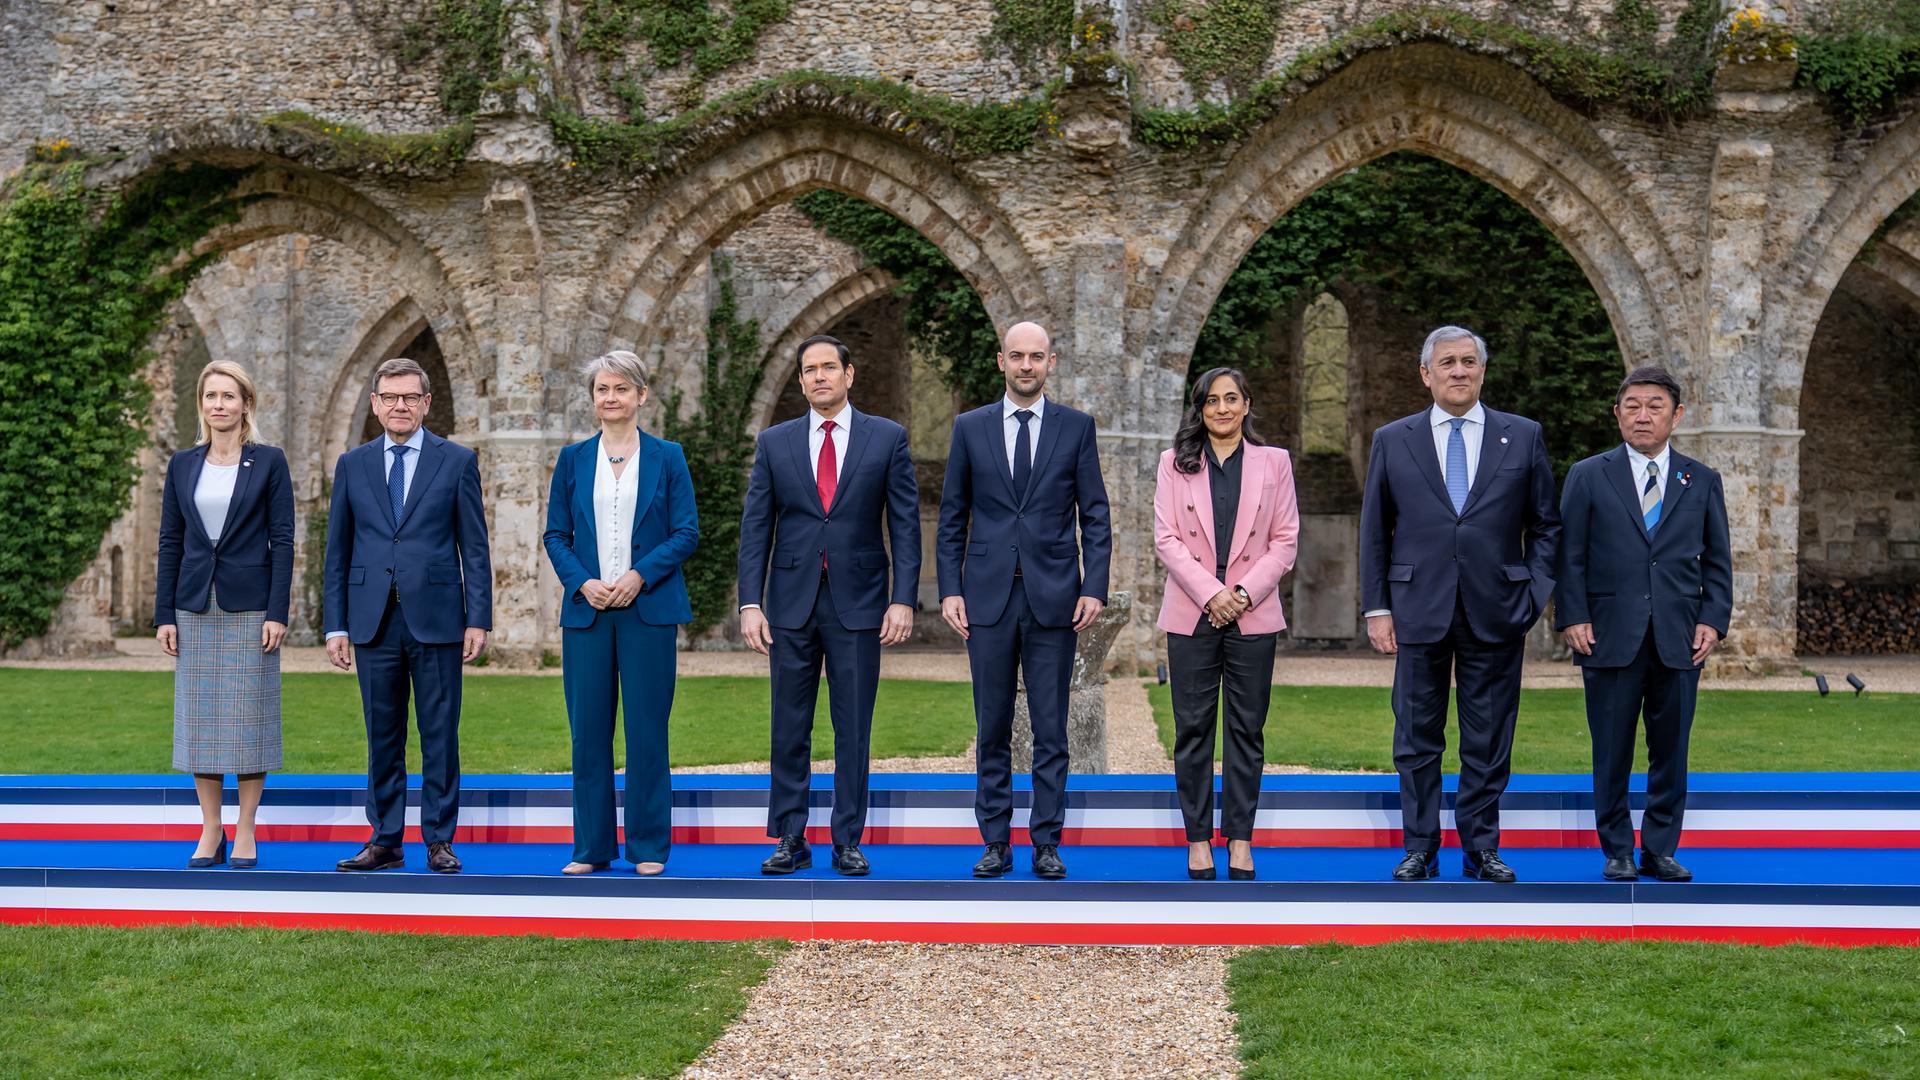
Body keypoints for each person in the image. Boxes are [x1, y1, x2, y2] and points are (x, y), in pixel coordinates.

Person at [1358, 326, 1560, 883]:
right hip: (1416, 607)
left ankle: (1481, 848)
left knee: (1489, 736)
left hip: (1497, 608)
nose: (1459, 371)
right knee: (1417, 735)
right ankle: (1420, 847)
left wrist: (1534, 590)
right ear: (1426, 374)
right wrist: (1377, 607)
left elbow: (1546, 524)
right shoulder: (1393, 439)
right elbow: (1375, 530)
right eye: (1447, 362)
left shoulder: (1521, 436)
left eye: (1469, 361)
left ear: (1483, 371)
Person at [737, 334, 920, 877]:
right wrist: (751, 602)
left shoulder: (886, 439)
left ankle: (847, 839)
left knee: (853, 726)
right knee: (788, 725)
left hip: (860, 605)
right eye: (809, 370)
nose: (819, 377)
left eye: (828, 368)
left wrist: (903, 599)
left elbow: (906, 527)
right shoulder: (775, 443)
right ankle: (790, 837)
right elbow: (756, 530)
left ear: (849, 375)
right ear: (800, 381)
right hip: (790, 605)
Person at [937, 321, 1112, 881]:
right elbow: (951, 520)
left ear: (1051, 362)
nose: (1027, 365)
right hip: (986, 599)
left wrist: (1094, 586)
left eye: (1037, 356)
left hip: (1055, 597)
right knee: (990, 725)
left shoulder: (1077, 428)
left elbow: (1097, 515)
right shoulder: (969, 428)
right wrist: (949, 589)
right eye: (1017, 356)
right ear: (1001, 361)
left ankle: (1046, 842)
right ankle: (994, 841)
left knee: (1050, 727)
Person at [1554, 366, 1731, 882]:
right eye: (1632, 406)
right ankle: (1617, 850)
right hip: (1607, 633)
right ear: (1617, 414)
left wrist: (1713, 621)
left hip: (1680, 636)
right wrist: (1574, 615)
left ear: (1676, 416)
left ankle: (1659, 848)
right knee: (1611, 749)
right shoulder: (1588, 475)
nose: (1643, 415)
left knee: (1671, 750)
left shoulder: (1700, 480)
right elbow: (1570, 556)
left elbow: (1718, 560)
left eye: (1655, 406)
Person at [323, 357, 492, 874]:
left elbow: (475, 547)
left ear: (426, 403)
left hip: (438, 617)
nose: (400, 406)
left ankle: (439, 838)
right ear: (375, 404)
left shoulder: (457, 461)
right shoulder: (353, 465)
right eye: (390, 397)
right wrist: (336, 622)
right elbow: (338, 550)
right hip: (372, 618)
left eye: (410, 398)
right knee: (383, 733)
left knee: (440, 731)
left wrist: (478, 618)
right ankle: (385, 839)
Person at [543, 350, 699, 876]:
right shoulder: (571, 459)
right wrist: (583, 582)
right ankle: (590, 848)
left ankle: (649, 847)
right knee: (588, 732)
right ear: (593, 400)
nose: (611, 398)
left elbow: (686, 532)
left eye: (620, 389)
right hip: (587, 612)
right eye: (602, 390)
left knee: (647, 730)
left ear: (641, 395)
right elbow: (556, 535)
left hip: (647, 611)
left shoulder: (668, 456)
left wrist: (638, 576)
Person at [1152, 368, 1298, 881]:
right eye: (1212, 401)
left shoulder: (1274, 462)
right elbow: (1166, 539)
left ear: (1247, 404)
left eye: (1231, 399)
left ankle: (1239, 839)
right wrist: (1212, 593)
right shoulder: (1174, 463)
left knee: (1246, 728)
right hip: (1192, 612)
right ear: (1200, 409)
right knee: (1193, 728)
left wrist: (1239, 594)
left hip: (1252, 611)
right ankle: (1197, 840)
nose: (1222, 408)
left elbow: (1285, 540)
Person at [153, 360, 294, 869]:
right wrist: (163, 612)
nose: (219, 405)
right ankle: (211, 828)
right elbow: (171, 540)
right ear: (202, 404)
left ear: (246, 404)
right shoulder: (183, 464)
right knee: (202, 720)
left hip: (251, 607)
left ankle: (246, 828)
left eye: (229, 396)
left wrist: (278, 610)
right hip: (194, 606)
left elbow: (283, 540)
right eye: (211, 396)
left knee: (249, 718)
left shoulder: (270, 462)